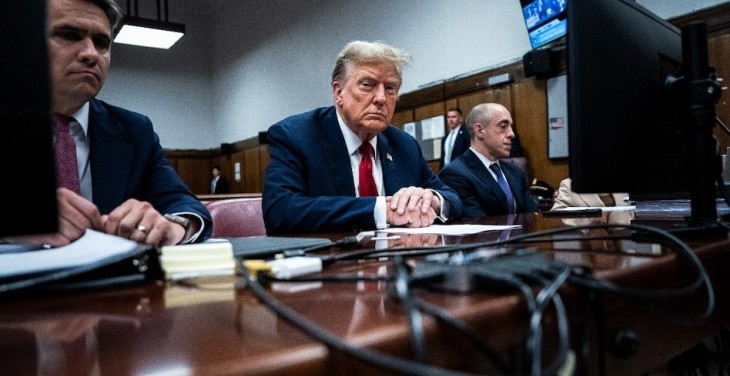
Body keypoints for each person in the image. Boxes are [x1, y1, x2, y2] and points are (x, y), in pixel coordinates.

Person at [6, 0, 212, 248]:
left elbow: (183, 203)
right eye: (69, 35)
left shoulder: (136, 131)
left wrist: (173, 226)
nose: (91, 54)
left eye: (101, 42)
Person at [262, 40, 463, 234]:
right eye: (367, 85)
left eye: (390, 88)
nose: (381, 98)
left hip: (399, 254)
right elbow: (280, 210)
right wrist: (380, 210)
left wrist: (433, 201)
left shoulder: (404, 144)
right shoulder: (296, 135)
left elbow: (453, 198)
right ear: (338, 92)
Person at [439, 103, 538, 218]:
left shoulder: (516, 172)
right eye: (503, 126)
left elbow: (534, 217)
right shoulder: (454, 174)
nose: (511, 134)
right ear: (480, 131)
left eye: (510, 127)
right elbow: (480, 223)